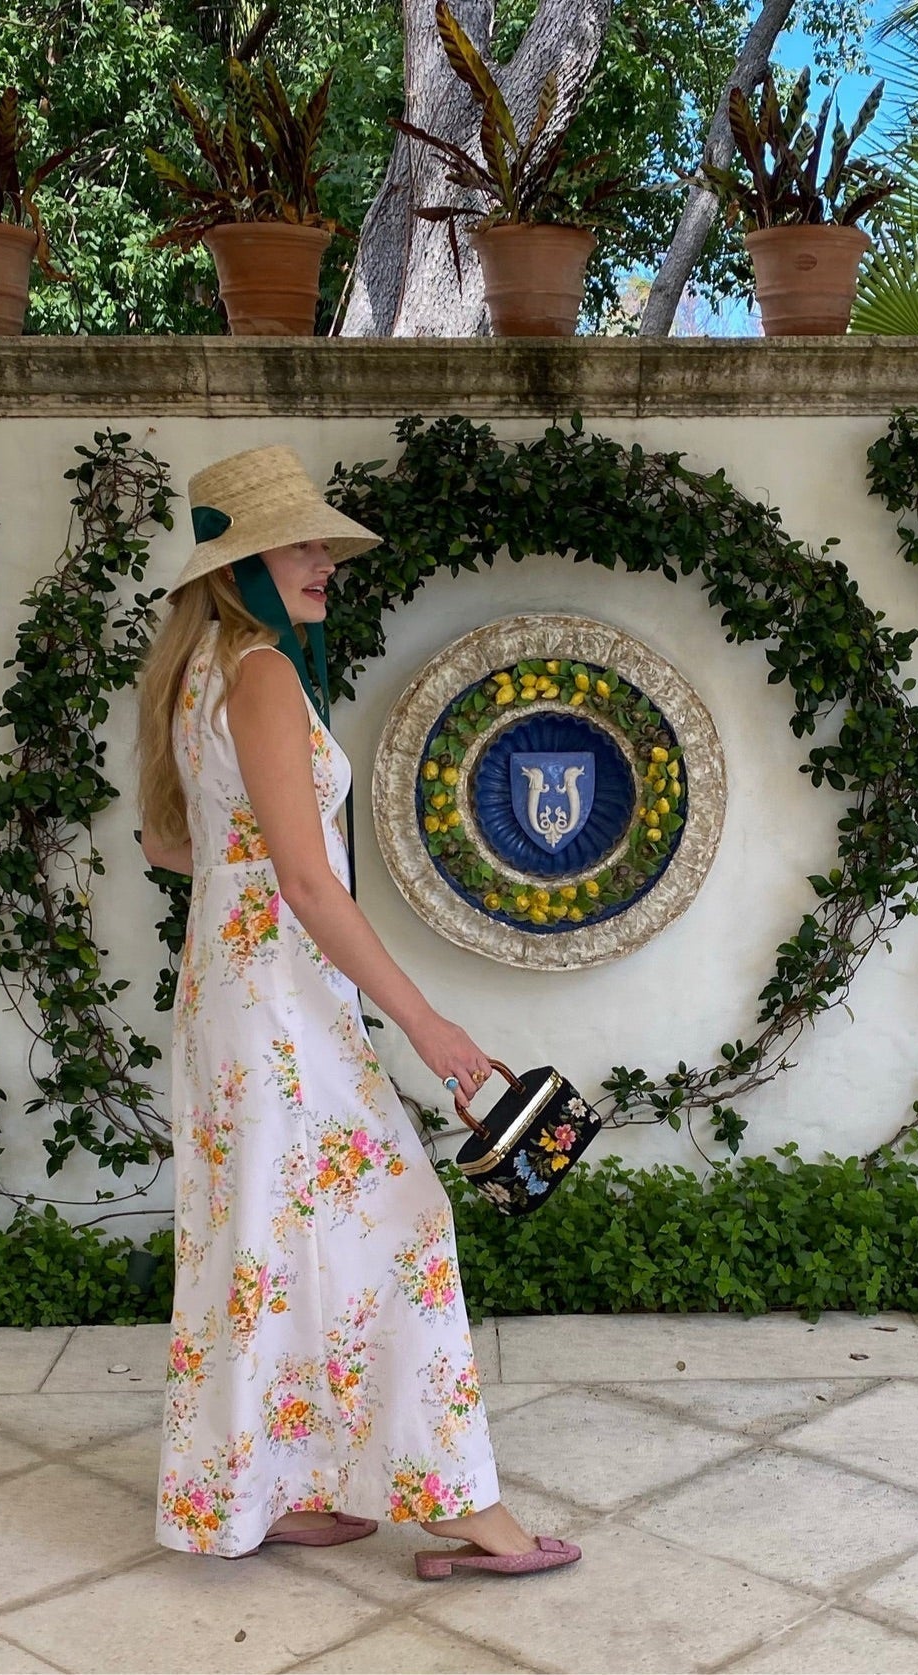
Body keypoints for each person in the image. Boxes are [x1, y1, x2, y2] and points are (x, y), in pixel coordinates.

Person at [135, 443, 581, 1580]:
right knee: (405, 1221)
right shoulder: (264, 674)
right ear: (240, 561)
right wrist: (428, 1025)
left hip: (232, 998)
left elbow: (167, 843)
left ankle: (270, 1487)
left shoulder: (194, 675)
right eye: (299, 540)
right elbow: (308, 881)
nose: (323, 556)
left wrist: (255, 880)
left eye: (322, 538)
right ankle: (459, 1504)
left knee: (264, 1242)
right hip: (279, 1007)